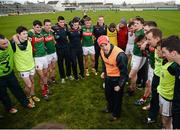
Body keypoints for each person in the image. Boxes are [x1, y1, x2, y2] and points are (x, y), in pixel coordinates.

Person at [0, 34, 34, 114]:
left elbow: (15, 36)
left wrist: (17, 40)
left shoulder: (9, 45)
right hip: (0, 77)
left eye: (6, 42)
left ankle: (25, 103)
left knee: (17, 89)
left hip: (10, 73)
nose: (7, 45)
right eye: (4, 44)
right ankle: (9, 108)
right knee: (3, 94)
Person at [98, 35, 128, 121]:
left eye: (105, 44)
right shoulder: (101, 51)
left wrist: (120, 85)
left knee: (117, 98)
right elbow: (104, 63)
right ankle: (110, 108)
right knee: (108, 95)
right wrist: (104, 71)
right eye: (101, 45)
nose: (104, 47)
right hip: (108, 77)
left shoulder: (120, 55)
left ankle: (116, 114)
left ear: (109, 43)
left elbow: (124, 73)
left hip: (118, 78)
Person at [12, 26, 39, 106]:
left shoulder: (29, 40)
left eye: (26, 33)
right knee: (29, 85)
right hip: (23, 68)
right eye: (23, 34)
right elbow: (9, 40)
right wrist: (15, 38)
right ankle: (28, 97)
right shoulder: (14, 44)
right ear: (18, 35)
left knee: (32, 81)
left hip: (31, 65)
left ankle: (33, 95)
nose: (26, 35)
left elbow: (32, 31)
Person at [160, 35, 180, 129]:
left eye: (164, 52)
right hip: (176, 109)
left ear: (173, 53)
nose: (163, 55)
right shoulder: (176, 66)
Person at [145, 28, 163, 123]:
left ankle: (167, 121)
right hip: (156, 75)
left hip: (166, 79)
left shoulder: (165, 48)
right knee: (154, 97)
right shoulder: (155, 47)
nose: (147, 42)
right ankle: (152, 116)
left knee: (166, 101)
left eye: (149, 39)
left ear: (156, 38)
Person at [28, 20, 49, 100]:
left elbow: (47, 28)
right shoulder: (31, 34)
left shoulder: (42, 33)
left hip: (44, 56)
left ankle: (46, 89)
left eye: (40, 27)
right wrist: (32, 30)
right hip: (37, 58)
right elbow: (21, 34)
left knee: (45, 74)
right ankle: (44, 93)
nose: (39, 29)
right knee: (42, 76)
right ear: (33, 27)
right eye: (37, 27)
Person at [128, 17, 146, 95]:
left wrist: (144, 43)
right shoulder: (137, 30)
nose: (135, 25)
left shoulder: (143, 32)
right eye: (135, 23)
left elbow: (146, 39)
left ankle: (128, 87)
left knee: (131, 74)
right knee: (134, 74)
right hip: (135, 54)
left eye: (137, 23)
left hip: (140, 56)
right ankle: (132, 89)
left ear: (142, 25)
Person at [52, 16, 73, 84]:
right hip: (59, 48)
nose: (62, 23)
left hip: (67, 47)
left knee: (68, 62)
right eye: (61, 22)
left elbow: (68, 33)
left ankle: (69, 75)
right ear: (58, 22)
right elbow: (46, 28)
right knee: (60, 63)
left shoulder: (66, 27)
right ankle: (62, 77)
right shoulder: (54, 28)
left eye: (63, 22)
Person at [42, 19, 57, 84]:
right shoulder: (41, 32)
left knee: (53, 67)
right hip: (47, 54)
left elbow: (53, 38)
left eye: (50, 25)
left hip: (53, 52)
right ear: (44, 26)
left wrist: (54, 42)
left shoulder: (51, 31)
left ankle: (53, 78)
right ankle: (48, 81)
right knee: (47, 69)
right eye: (47, 25)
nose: (48, 26)